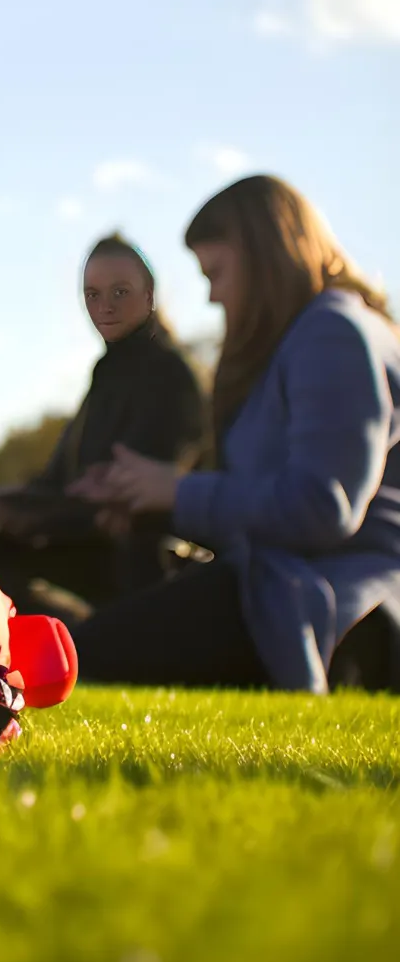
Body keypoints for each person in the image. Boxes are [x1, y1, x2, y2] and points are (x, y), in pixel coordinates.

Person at [74, 176, 400, 691]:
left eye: (217, 273)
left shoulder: (332, 333)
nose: (211, 295)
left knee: (83, 657)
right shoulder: (313, 336)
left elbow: (321, 507)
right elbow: (269, 508)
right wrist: (156, 502)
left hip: (333, 608)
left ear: (266, 259)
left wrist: (176, 490)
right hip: (286, 588)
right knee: (88, 645)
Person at [0, 234, 206, 609]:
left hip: (136, 564)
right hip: (80, 545)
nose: (105, 307)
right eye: (92, 294)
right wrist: (10, 505)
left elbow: (123, 500)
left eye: (120, 292)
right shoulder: (107, 372)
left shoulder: (169, 376)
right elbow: (60, 481)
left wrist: (34, 515)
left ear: (149, 293)